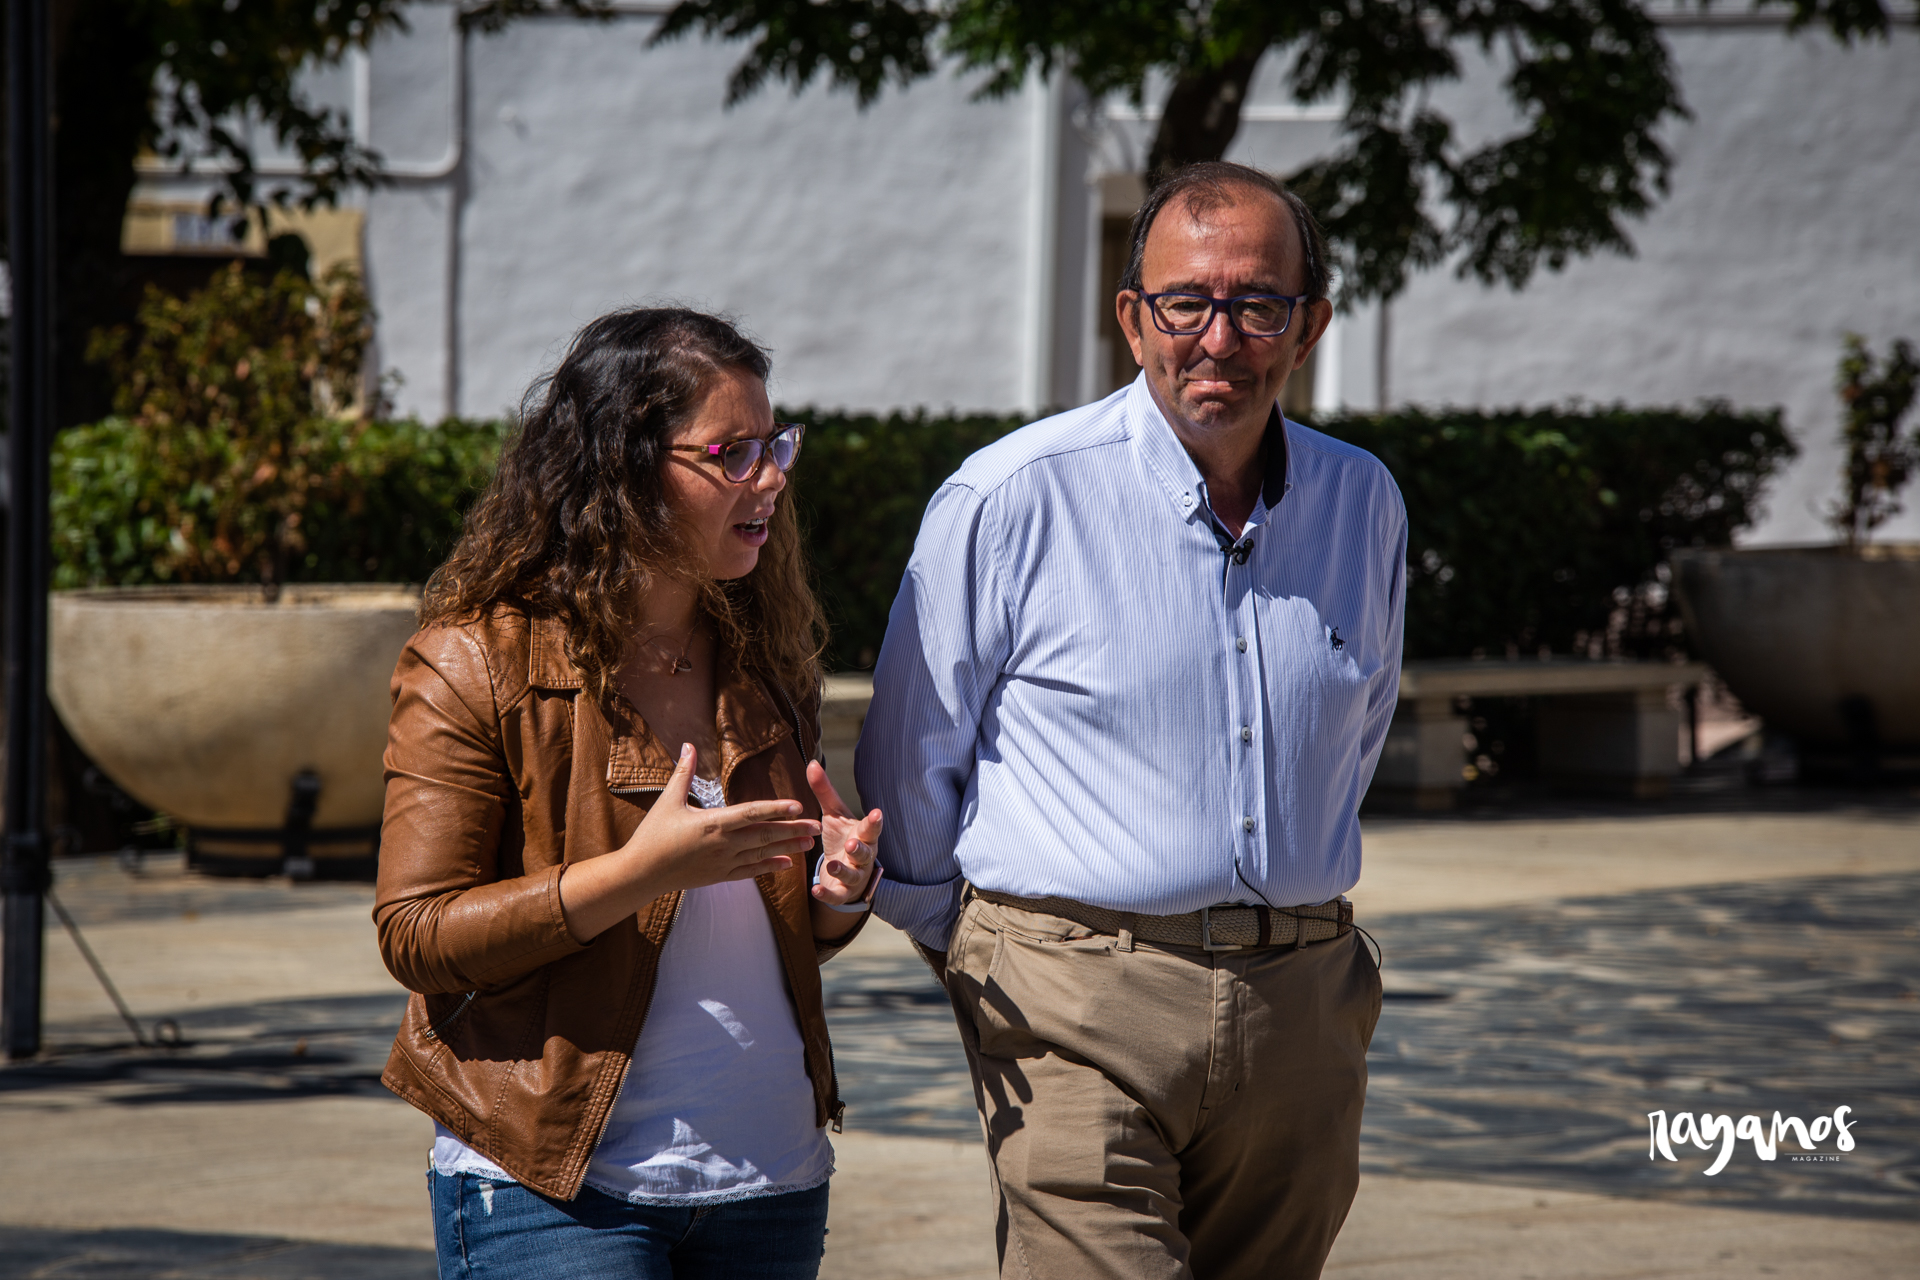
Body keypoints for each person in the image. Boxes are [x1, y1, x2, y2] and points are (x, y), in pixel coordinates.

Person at [855, 162, 1406, 1279]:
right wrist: (977, 949)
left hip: (1302, 1005)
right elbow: (913, 754)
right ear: (1130, 317)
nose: (1220, 337)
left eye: (1258, 304)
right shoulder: (1010, 498)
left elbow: (1359, 727)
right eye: (1184, 303)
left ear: (1310, 324)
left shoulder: (1363, 501)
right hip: (1070, 1002)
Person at [375, 307, 882, 1279]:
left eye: (775, 443)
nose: (770, 474)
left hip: (771, 1182)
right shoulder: (473, 662)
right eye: (731, 451)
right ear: (621, 467)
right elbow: (417, 931)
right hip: (556, 1192)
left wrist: (835, 895)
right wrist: (631, 876)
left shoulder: (765, 661)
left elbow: (765, 924)